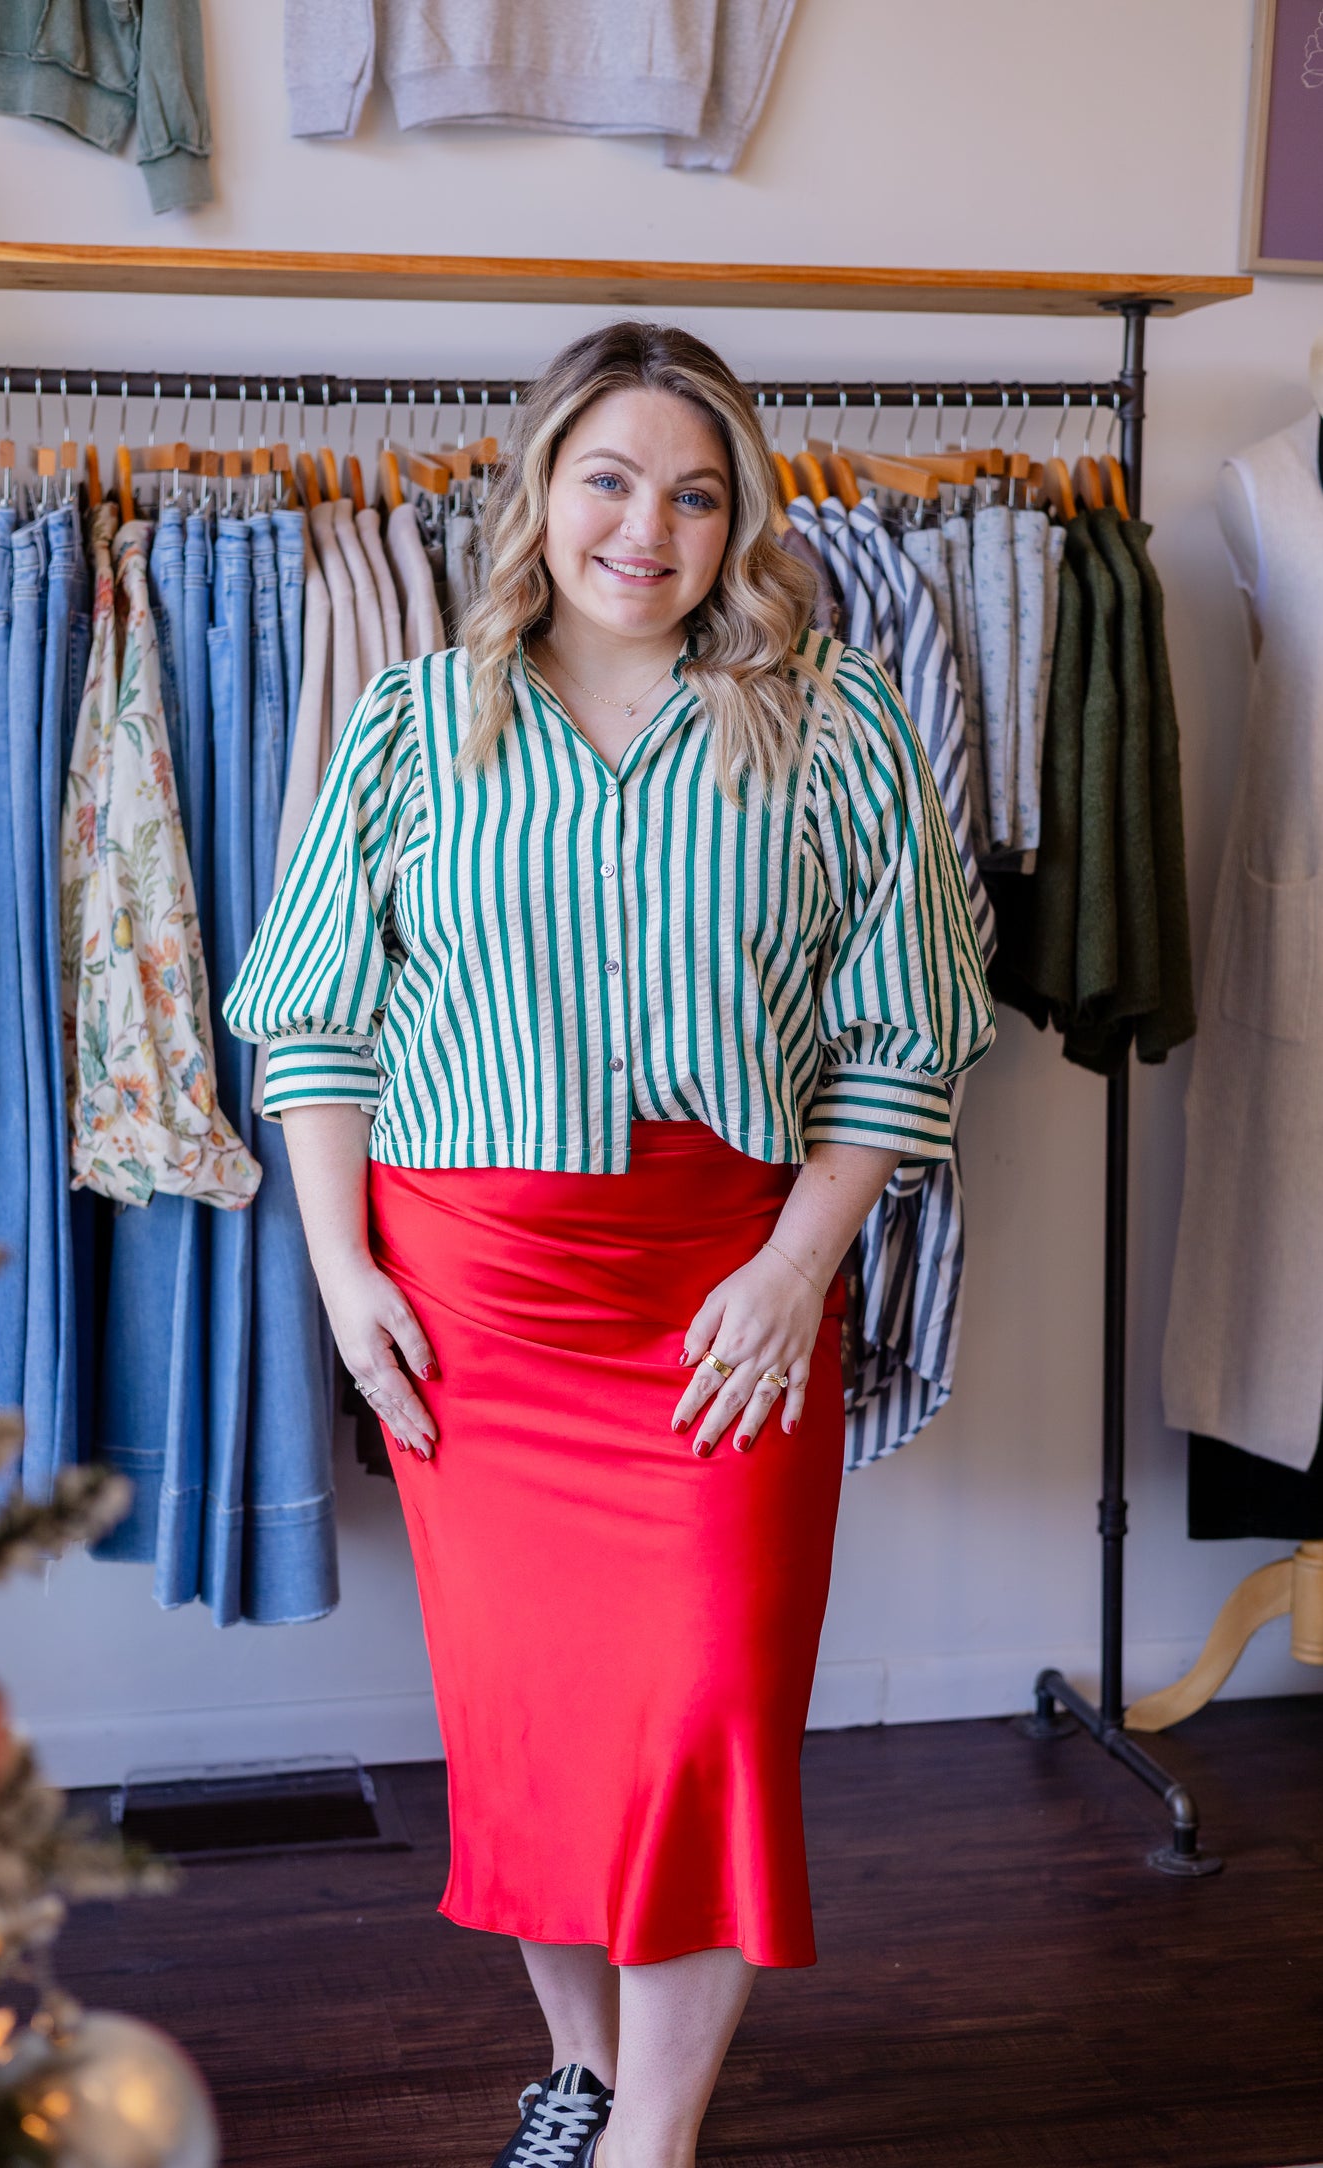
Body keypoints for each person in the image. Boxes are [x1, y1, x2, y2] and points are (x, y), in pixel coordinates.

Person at [223, 322, 994, 2168]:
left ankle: (652, 2143)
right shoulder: (418, 720)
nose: (647, 527)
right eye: (611, 479)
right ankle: (580, 2083)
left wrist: (797, 1269)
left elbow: (911, 1027)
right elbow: (315, 1022)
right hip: (472, 1304)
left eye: (696, 491)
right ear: (542, 492)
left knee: (706, 1722)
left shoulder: (835, 720)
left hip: (725, 1290)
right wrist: (346, 1284)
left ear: (739, 522)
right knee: (541, 1737)